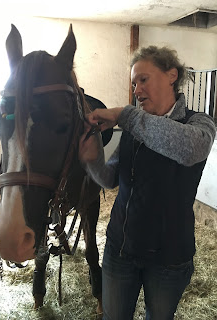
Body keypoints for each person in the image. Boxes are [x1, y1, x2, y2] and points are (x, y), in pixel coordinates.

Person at [79, 45, 216, 320]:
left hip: (169, 258)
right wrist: (93, 159)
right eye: (133, 83)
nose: (136, 90)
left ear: (171, 75)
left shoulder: (200, 124)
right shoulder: (134, 127)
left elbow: (187, 149)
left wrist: (124, 115)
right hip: (121, 249)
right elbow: (110, 179)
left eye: (143, 79)